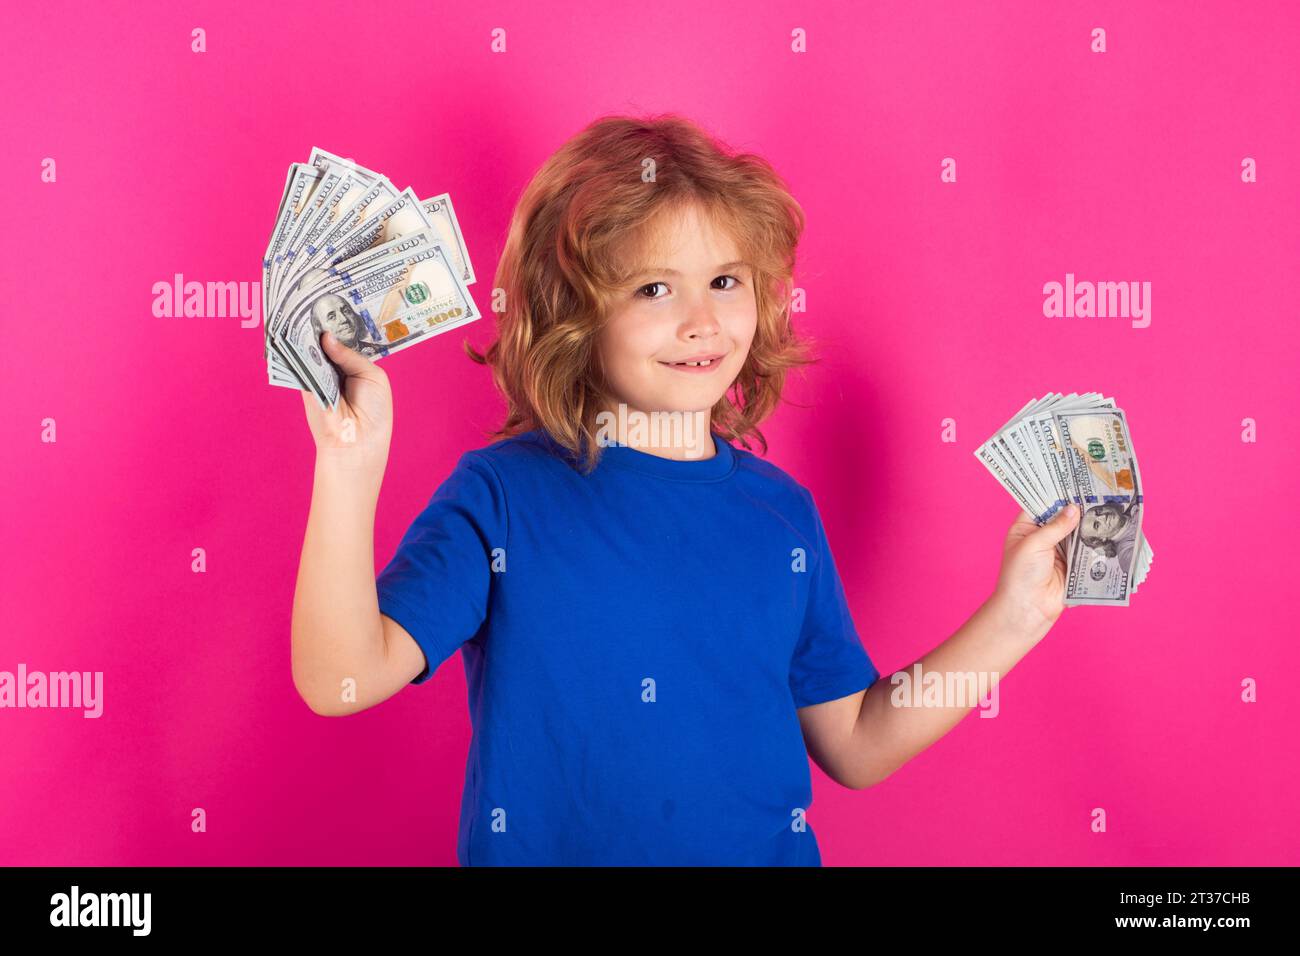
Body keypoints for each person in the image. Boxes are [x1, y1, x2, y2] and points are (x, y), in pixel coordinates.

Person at [289, 114, 1081, 866]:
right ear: (573, 313)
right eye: (654, 290)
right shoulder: (500, 497)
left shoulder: (782, 516)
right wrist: (349, 465)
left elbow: (857, 742)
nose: (703, 321)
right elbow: (338, 680)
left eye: (726, 280)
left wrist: (1015, 617)